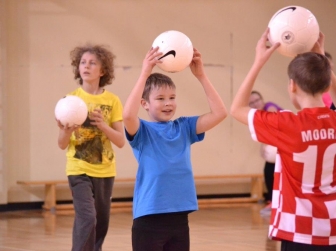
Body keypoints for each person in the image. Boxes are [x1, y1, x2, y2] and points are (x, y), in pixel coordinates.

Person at [231, 29, 336, 250]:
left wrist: (259, 61)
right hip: (333, 229)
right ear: (327, 86)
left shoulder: (287, 124)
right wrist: (322, 58)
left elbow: (237, 108)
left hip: (299, 231)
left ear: (292, 86)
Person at [123, 46, 227, 251]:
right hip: (149, 219)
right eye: (160, 98)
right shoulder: (142, 130)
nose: (168, 103)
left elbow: (220, 113)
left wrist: (201, 76)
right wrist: (145, 72)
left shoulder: (184, 127)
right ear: (145, 103)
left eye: (172, 97)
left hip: (179, 217)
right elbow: (127, 116)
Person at [56, 44, 125, 251]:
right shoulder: (69, 101)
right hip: (78, 170)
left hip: (105, 171)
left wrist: (103, 125)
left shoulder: (112, 101)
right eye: (82, 62)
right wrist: (66, 130)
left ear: (102, 71)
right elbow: (61, 144)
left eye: (92, 63)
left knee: (101, 223)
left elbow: (121, 141)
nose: (86, 66)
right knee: (87, 217)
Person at [249, 90, 283, 215]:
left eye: (257, 100)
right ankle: (272, 201)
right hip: (277, 145)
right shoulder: (258, 116)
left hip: (285, 142)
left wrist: (265, 145)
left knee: (272, 172)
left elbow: (274, 127)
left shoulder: (270, 107)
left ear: (262, 100)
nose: (255, 104)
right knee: (269, 171)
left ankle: (276, 202)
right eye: (252, 102)